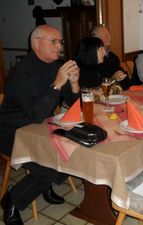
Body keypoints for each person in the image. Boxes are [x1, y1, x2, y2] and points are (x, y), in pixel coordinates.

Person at [0, 24, 80, 225]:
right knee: (49, 167)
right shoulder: (21, 72)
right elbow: (36, 114)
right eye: (53, 41)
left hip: (43, 127)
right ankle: (12, 200)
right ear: (36, 43)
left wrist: (74, 83)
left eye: (60, 42)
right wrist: (57, 84)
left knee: (78, 148)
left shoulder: (55, 66)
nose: (59, 46)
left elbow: (71, 103)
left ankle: (45, 186)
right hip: (14, 132)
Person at [90, 25, 130, 90]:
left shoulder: (113, 56)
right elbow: (95, 88)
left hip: (121, 91)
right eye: (106, 35)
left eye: (109, 34)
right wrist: (113, 78)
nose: (109, 37)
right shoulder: (92, 60)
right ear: (96, 39)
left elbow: (124, 78)